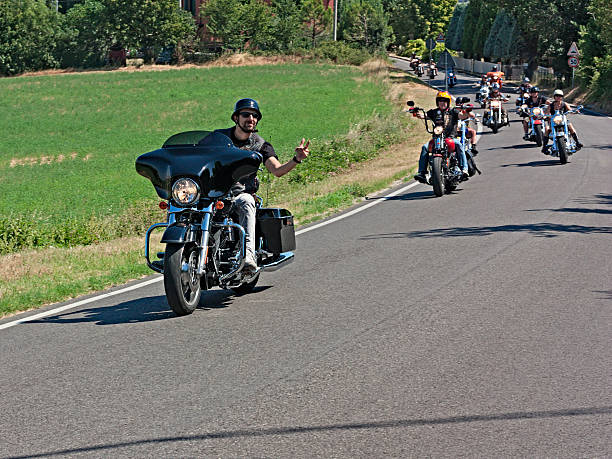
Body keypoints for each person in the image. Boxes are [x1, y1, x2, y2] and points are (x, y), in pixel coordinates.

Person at [216, 98, 310, 272]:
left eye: (254, 116)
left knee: (246, 201)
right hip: (214, 193)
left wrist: (296, 159)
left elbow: (277, 170)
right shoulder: (218, 138)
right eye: (246, 114)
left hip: (239, 195)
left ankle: (249, 255)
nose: (250, 118)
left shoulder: (260, 145)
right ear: (236, 118)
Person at [413, 91, 469, 183]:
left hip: (450, 138)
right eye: (440, 101)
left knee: (459, 144)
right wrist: (416, 113)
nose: (442, 103)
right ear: (437, 102)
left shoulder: (453, 111)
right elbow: (423, 115)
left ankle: (464, 169)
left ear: (448, 102)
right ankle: (422, 173)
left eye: (445, 101)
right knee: (425, 147)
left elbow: (462, 116)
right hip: (437, 139)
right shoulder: (434, 112)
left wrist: (466, 110)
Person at [541, 89, 583, 154]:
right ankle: (544, 147)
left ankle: (577, 142)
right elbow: (546, 113)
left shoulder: (564, 104)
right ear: (554, 97)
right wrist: (544, 116)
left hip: (563, 121)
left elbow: (570, 110)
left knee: (570, 126)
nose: (558, 97)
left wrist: (575, 111)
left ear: (562, 97)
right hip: (553, 122)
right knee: (547, 129)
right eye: (557, 96)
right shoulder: (551, 105)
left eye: (560, 96)